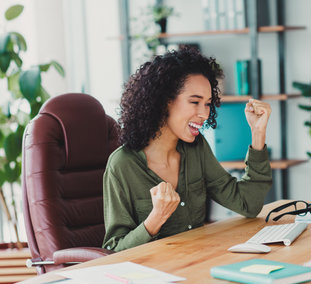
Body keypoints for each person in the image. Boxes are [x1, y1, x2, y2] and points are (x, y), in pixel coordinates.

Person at [102, 47, 272, 251]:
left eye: (208, 104)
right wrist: (156, 218)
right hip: (156, 276)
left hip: (197, 263)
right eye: (194, 102)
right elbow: (113, 252)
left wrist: (257, 133)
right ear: (165, 101)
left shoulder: (196, 148)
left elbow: (248, 204)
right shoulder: (122, 165)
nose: (204, 113)